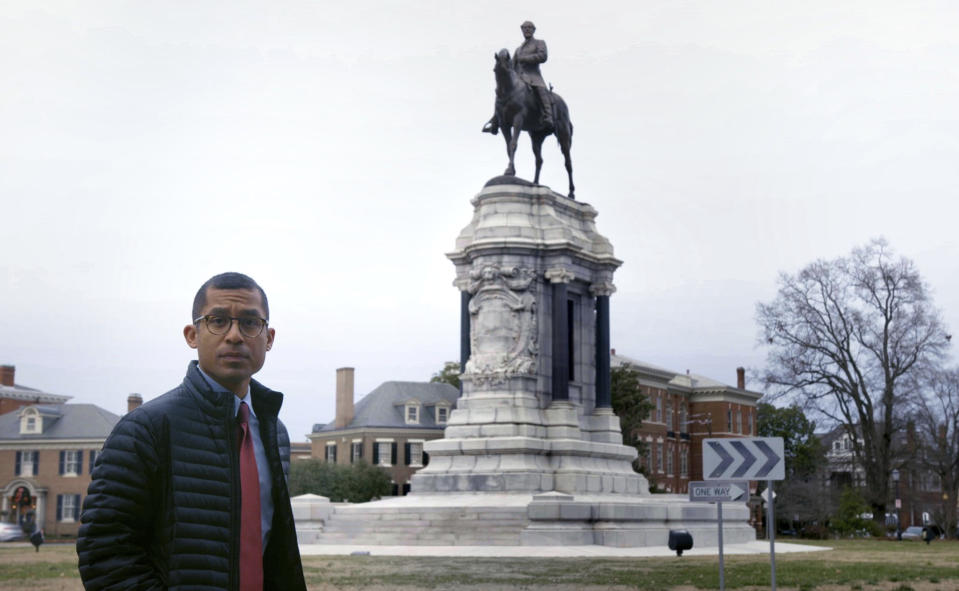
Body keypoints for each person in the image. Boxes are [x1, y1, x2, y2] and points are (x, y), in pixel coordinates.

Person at [77, 272, 307, 591]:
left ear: (268, 338)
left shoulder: (275, 433)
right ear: (192, 335)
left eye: (250, 323)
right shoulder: (146, 428)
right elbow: (104, 551)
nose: (235, 335)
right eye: (218, 320)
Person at [483, 20, 554, 135]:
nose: (527, 30)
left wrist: (526, 58)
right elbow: (512, 66)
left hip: (533, 77)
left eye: (529, 28)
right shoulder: (518, 49)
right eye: (524, 28)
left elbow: (543, 56)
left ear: (533, 30)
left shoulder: (539, 43)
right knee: (500, 94)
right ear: (522, 30)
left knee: (541, 91)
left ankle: (548, 116)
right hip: (519, 79)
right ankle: (495, 121)